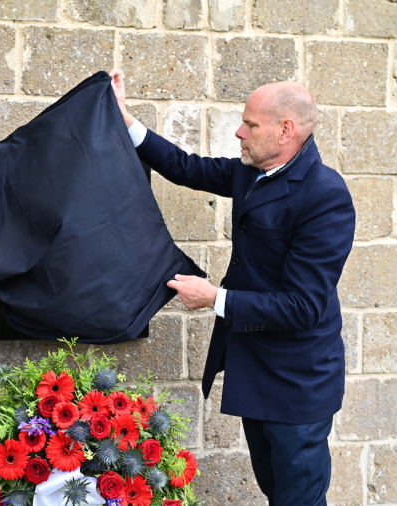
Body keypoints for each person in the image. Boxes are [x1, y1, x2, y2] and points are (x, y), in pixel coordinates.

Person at [109, 71, 355, 505]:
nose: (240, 132)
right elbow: (185, 167)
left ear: (285, 130)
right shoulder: (251, 172)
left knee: (299, 499)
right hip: (255, 368)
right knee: (276, 490)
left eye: (251, 125)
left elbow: (303, 307)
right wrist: (125, 118)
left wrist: (214, 298)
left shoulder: (325, 195)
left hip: (297, 382)